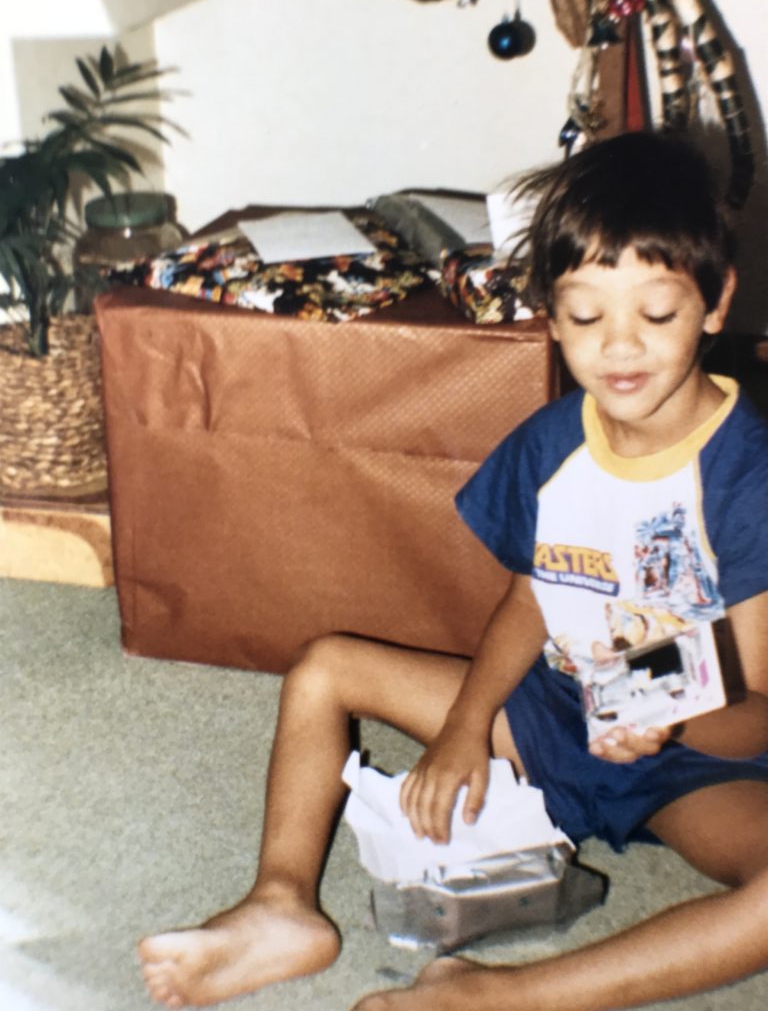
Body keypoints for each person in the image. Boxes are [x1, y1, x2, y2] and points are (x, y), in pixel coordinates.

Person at [138, 131, 768, 1011]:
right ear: (550, 313)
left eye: (656, 316)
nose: (619, 349)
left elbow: (754, 715)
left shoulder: (748, 477)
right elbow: (531, 594)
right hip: (555, 712)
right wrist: (468, 725)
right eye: (587, 317)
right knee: (324, 665)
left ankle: (498, 996)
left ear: (715, 302)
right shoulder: (552, 442)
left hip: (697, 766)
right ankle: (280, 905)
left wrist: (669, 721)